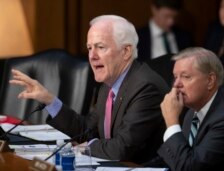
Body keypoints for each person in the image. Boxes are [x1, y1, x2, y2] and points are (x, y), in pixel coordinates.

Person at [10, 15, 169, 163]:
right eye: (89, 48)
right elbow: (86, 130)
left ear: (126, 51)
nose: (92, 56)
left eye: (100, 47)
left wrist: (86, 147)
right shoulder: (110, 84)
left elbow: (122, 148)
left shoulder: (145, 87)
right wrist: (50, 100)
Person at [158, 47, 224, 170]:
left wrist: (171, 122)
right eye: (175, 77)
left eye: (186, 76)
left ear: (210, 80)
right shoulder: (192, 112)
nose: (176, 84)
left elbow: (191, 167)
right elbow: (181, 155)